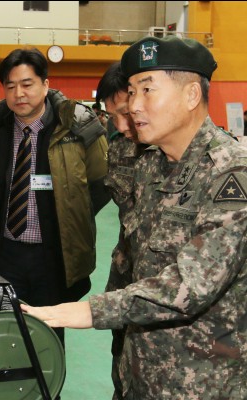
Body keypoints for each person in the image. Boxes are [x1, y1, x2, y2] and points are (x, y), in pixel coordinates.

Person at [22, 36, 247, 399]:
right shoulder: (151, 167)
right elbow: (133, 258)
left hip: (201, 383)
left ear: (191, 96)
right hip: (139, 373)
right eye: (131, 91)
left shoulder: (231, 175)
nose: (134, 105)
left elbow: (188, 286)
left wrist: (90, 311)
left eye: (147, 90)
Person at [0, 48, 110, 348]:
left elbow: (102, 181)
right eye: (10, 86)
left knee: (47, 336)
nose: (19, 93)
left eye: (27, 84)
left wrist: (71, 216)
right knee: (6, 332)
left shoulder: (74, 128)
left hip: (52, 257)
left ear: (46, 84)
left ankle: (48, 393)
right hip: (4, 254)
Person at [95, 61, 147, 399]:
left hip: (170, 298)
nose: (122, 125)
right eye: (113, 116)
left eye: (126, 114)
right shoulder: (120, 147)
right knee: (122, 371)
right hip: (126, 281)